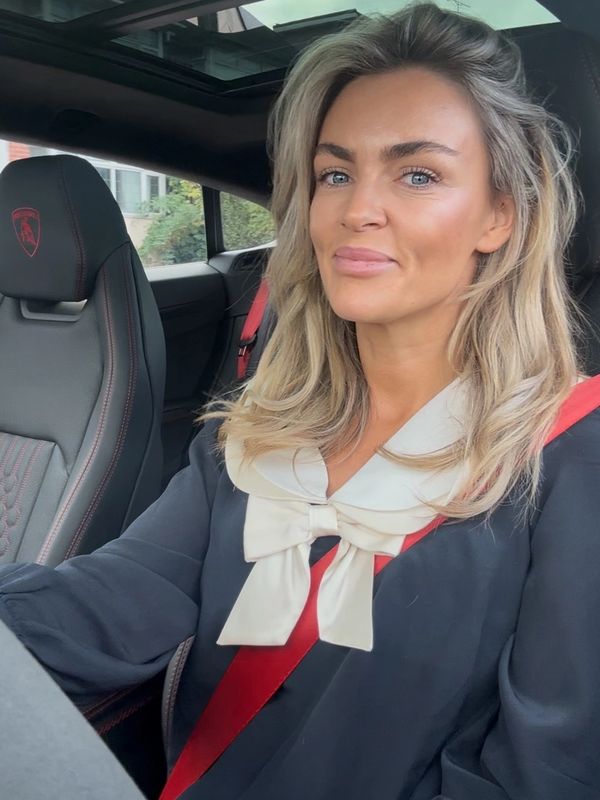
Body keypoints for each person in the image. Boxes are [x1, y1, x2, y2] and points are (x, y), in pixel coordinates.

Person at [0, 3, 599, 798]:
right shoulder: (250, 437)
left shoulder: (573, 458)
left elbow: (544, 772)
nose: (357, 209)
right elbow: (108, 605)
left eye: (418, 174)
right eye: (335, 174)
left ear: (500, 216)